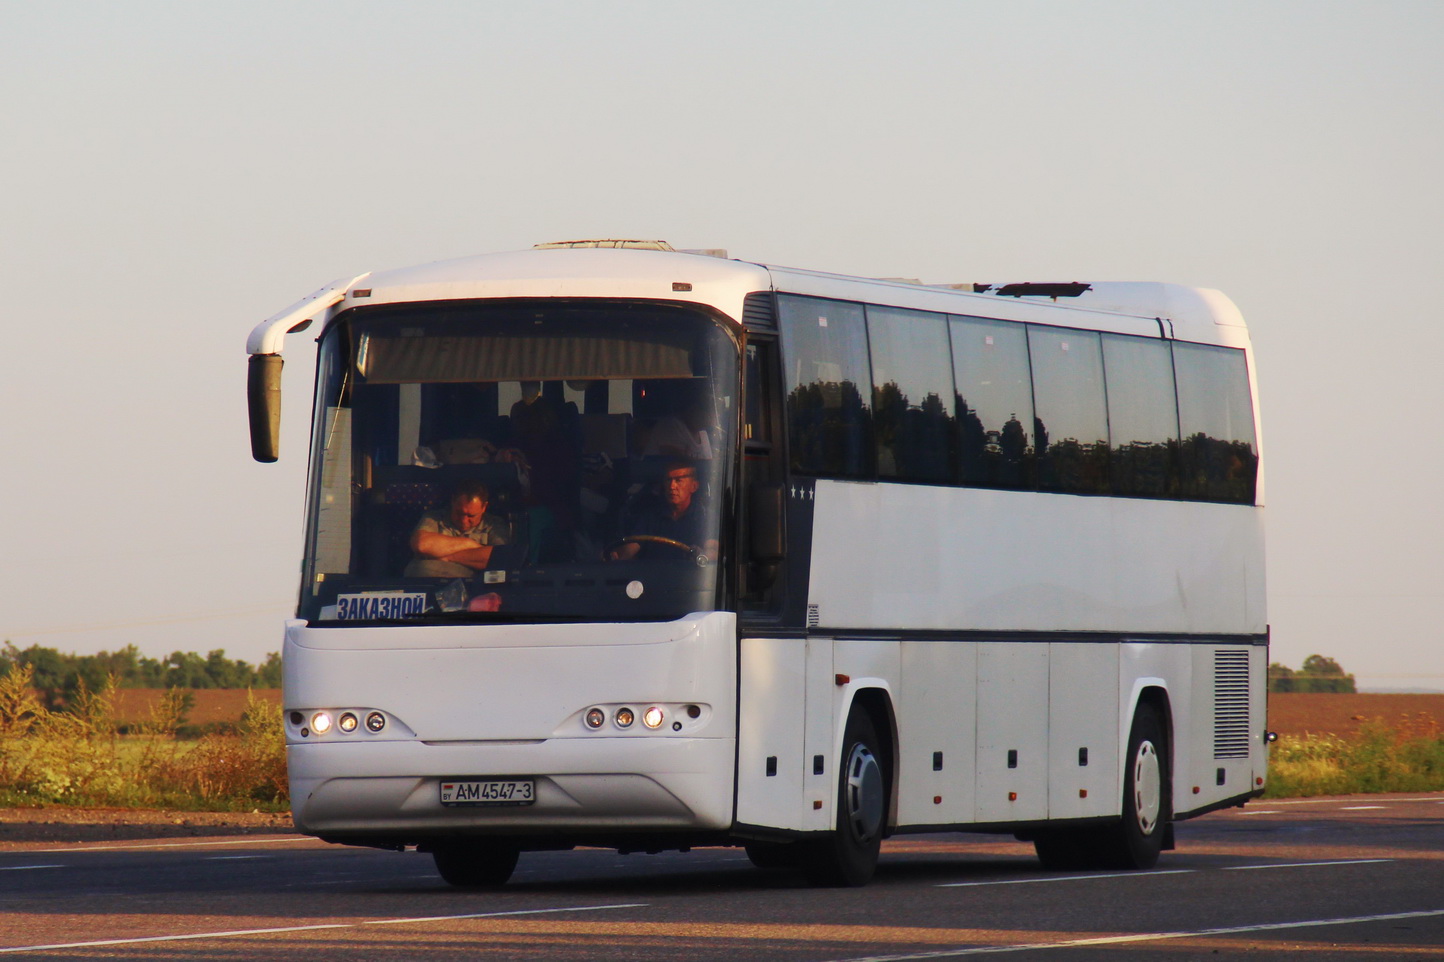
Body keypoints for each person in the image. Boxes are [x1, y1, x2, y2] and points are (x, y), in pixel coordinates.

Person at [609, 461, 718, 561]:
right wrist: (617, 556)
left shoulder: (707, 518)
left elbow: (714, 550)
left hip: (690, 579)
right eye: (668, 480)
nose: (672, 486)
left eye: (678, 480)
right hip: (653, 578)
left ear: (694, 486)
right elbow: (632, 547)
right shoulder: (650, 516)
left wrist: (703, 555)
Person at [403, 480, 511, 578]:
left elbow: (498, 558)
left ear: (484, 507)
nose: (464, 520)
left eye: (471, 516)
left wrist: (448, 556)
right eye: (459, 513)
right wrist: (469, 545)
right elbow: (421, 544)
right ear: (453, 501)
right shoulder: (434, 518)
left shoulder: (494, 524)